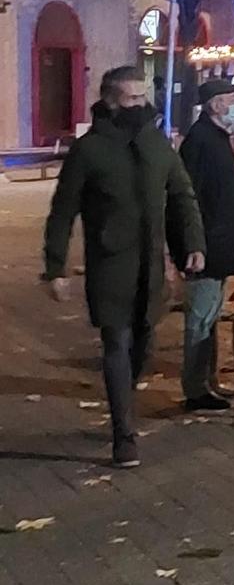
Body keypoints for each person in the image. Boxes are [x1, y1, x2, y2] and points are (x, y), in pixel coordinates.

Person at [43, 66, 205, 468]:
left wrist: (193, 244)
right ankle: (123, 435)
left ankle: (124, 399)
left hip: (151, 266)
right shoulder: (89, 151)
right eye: (132, 98)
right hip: (110, 264)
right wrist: (55, 266)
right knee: (116, 342)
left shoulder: (156, 143)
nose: (140, 104)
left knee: (145, 342)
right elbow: (63, 211)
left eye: (142, 96)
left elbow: (182, 195)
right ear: (112, 101)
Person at [177, 78, 234, 412]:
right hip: (206, 247)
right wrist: (194, 245)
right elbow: (187, 197)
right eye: (233, 98)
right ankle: (195, 389)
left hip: (219, 244)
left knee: (210, 317)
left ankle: (209, 382)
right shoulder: (201, 141)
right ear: (216, 104)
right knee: (200, 319)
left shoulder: (215, 137)